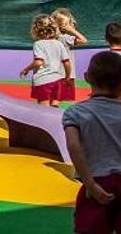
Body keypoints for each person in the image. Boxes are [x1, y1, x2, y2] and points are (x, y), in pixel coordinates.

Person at [62, 50, 121, 234]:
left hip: (97, 182)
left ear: (87, 77)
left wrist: (89, 183)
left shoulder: (75, 113)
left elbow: (73, 145)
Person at [19, 14, 72, 107]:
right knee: (54, 108)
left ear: (36, 30)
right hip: (58, 80)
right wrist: (67, 77)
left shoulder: (38, 44)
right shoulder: (59, 44)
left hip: (43, 80)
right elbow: (66, 62)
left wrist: (26, 69)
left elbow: (39, 62)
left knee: (44, 109)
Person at [53, 8, 87, 102]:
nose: (72, 25)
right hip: (65, 74)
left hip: (55, 73)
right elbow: (84, 40)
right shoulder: (66, 38)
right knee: (57, 99)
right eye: (69, 23)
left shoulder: (53, 38)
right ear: (63, 26)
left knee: (54, 98)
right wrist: (72, 30)